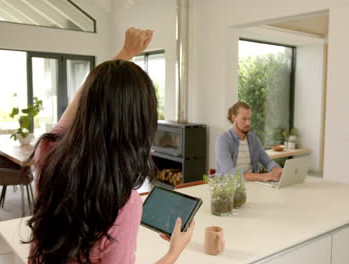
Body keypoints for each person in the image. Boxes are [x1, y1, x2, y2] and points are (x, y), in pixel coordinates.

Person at [25, 28, 194, 264]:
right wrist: (174, 252)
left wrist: (125, 53)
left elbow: (81, 96)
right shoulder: (123, 205)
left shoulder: (48, 152)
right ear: (139, 123)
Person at [215, 102, 283, 182]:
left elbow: (267, 161)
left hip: (252, 186)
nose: (248, 123)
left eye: (249, 119)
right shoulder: (223, 140)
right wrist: (261, 177)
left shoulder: (253, 139)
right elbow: (230, 172)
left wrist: (276, 169)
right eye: (244, 119)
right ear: (234, 118)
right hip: (229, 188)